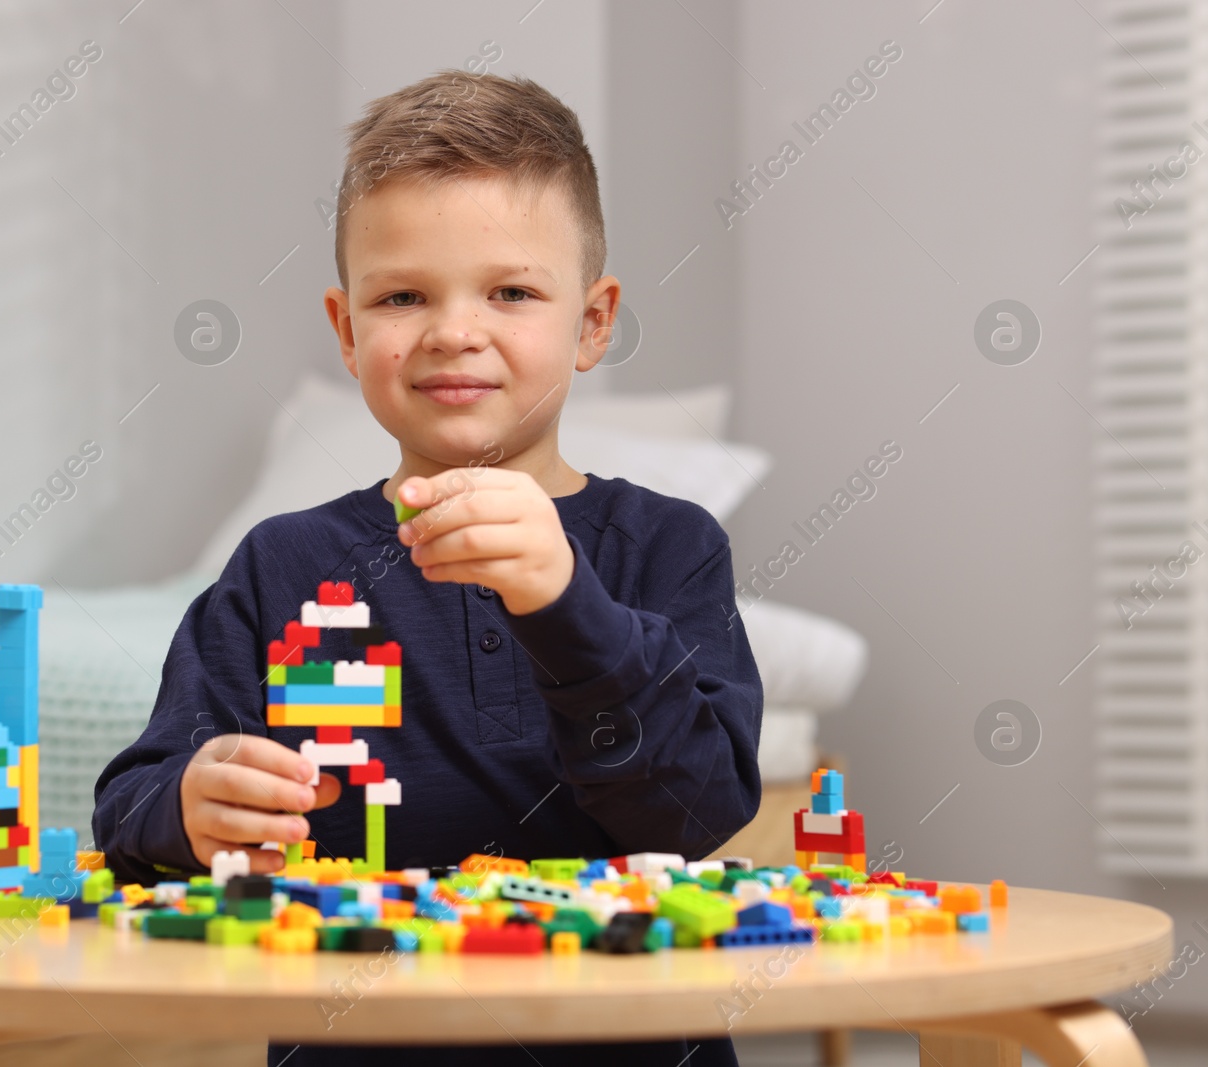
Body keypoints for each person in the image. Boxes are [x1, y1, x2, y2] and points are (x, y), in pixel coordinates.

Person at [93, 68, 764, 1067]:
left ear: (591, 322)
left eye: (511, 291)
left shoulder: (666, 546)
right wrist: (189, 803)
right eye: (403, 295)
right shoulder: (284, 563)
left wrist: (567, 601)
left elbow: (695, 806)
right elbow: (135, 807)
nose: (454, 330)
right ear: (347, 328)